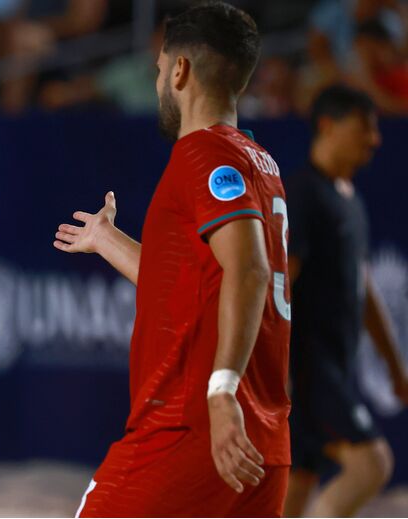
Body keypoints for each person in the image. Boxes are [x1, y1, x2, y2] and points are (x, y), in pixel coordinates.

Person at [54, 2, 291, 516]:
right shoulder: (259, 161)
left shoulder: (204, 155)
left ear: (180, 70)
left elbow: (249, 270)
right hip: (260, 446)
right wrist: (107, 239)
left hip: (191, 431)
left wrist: (222, 391)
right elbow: (195, 284)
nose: (158, 78)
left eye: (159, 68)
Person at [282, 84, 408, 517]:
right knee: (372, 465)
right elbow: (279, 283)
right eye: (365, 128)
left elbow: (363, 287)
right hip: (308, 370)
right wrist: (268, 366)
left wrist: (395, 366)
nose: (375, 139)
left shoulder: (350, 200)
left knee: (295, 488)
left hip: (336, 367)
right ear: (327, 126)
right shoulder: (302, 194)